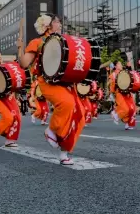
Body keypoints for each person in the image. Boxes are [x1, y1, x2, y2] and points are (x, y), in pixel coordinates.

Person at [18, 13, 85, 165]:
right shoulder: (37, 42)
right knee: (67, 103)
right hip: (47, 81)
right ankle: (52, 129)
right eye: (57, 22)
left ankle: (64, 152)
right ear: (48, 25)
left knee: (79, 114)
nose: (60, 24)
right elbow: (23, 64)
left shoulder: (64, 40)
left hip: (66, 81)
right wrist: (20, 48)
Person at [108, 61, 136, 130]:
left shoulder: (124, 72)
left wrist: (129, 68)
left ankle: (128, 123)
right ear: (116, 66)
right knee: (126, 109)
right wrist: (112, 94)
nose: (121, 65)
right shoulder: (113, 75)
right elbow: (111, 87)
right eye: (119, 64)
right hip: (119, 93)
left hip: (127, 93)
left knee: (132, 109)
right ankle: (116, 115)